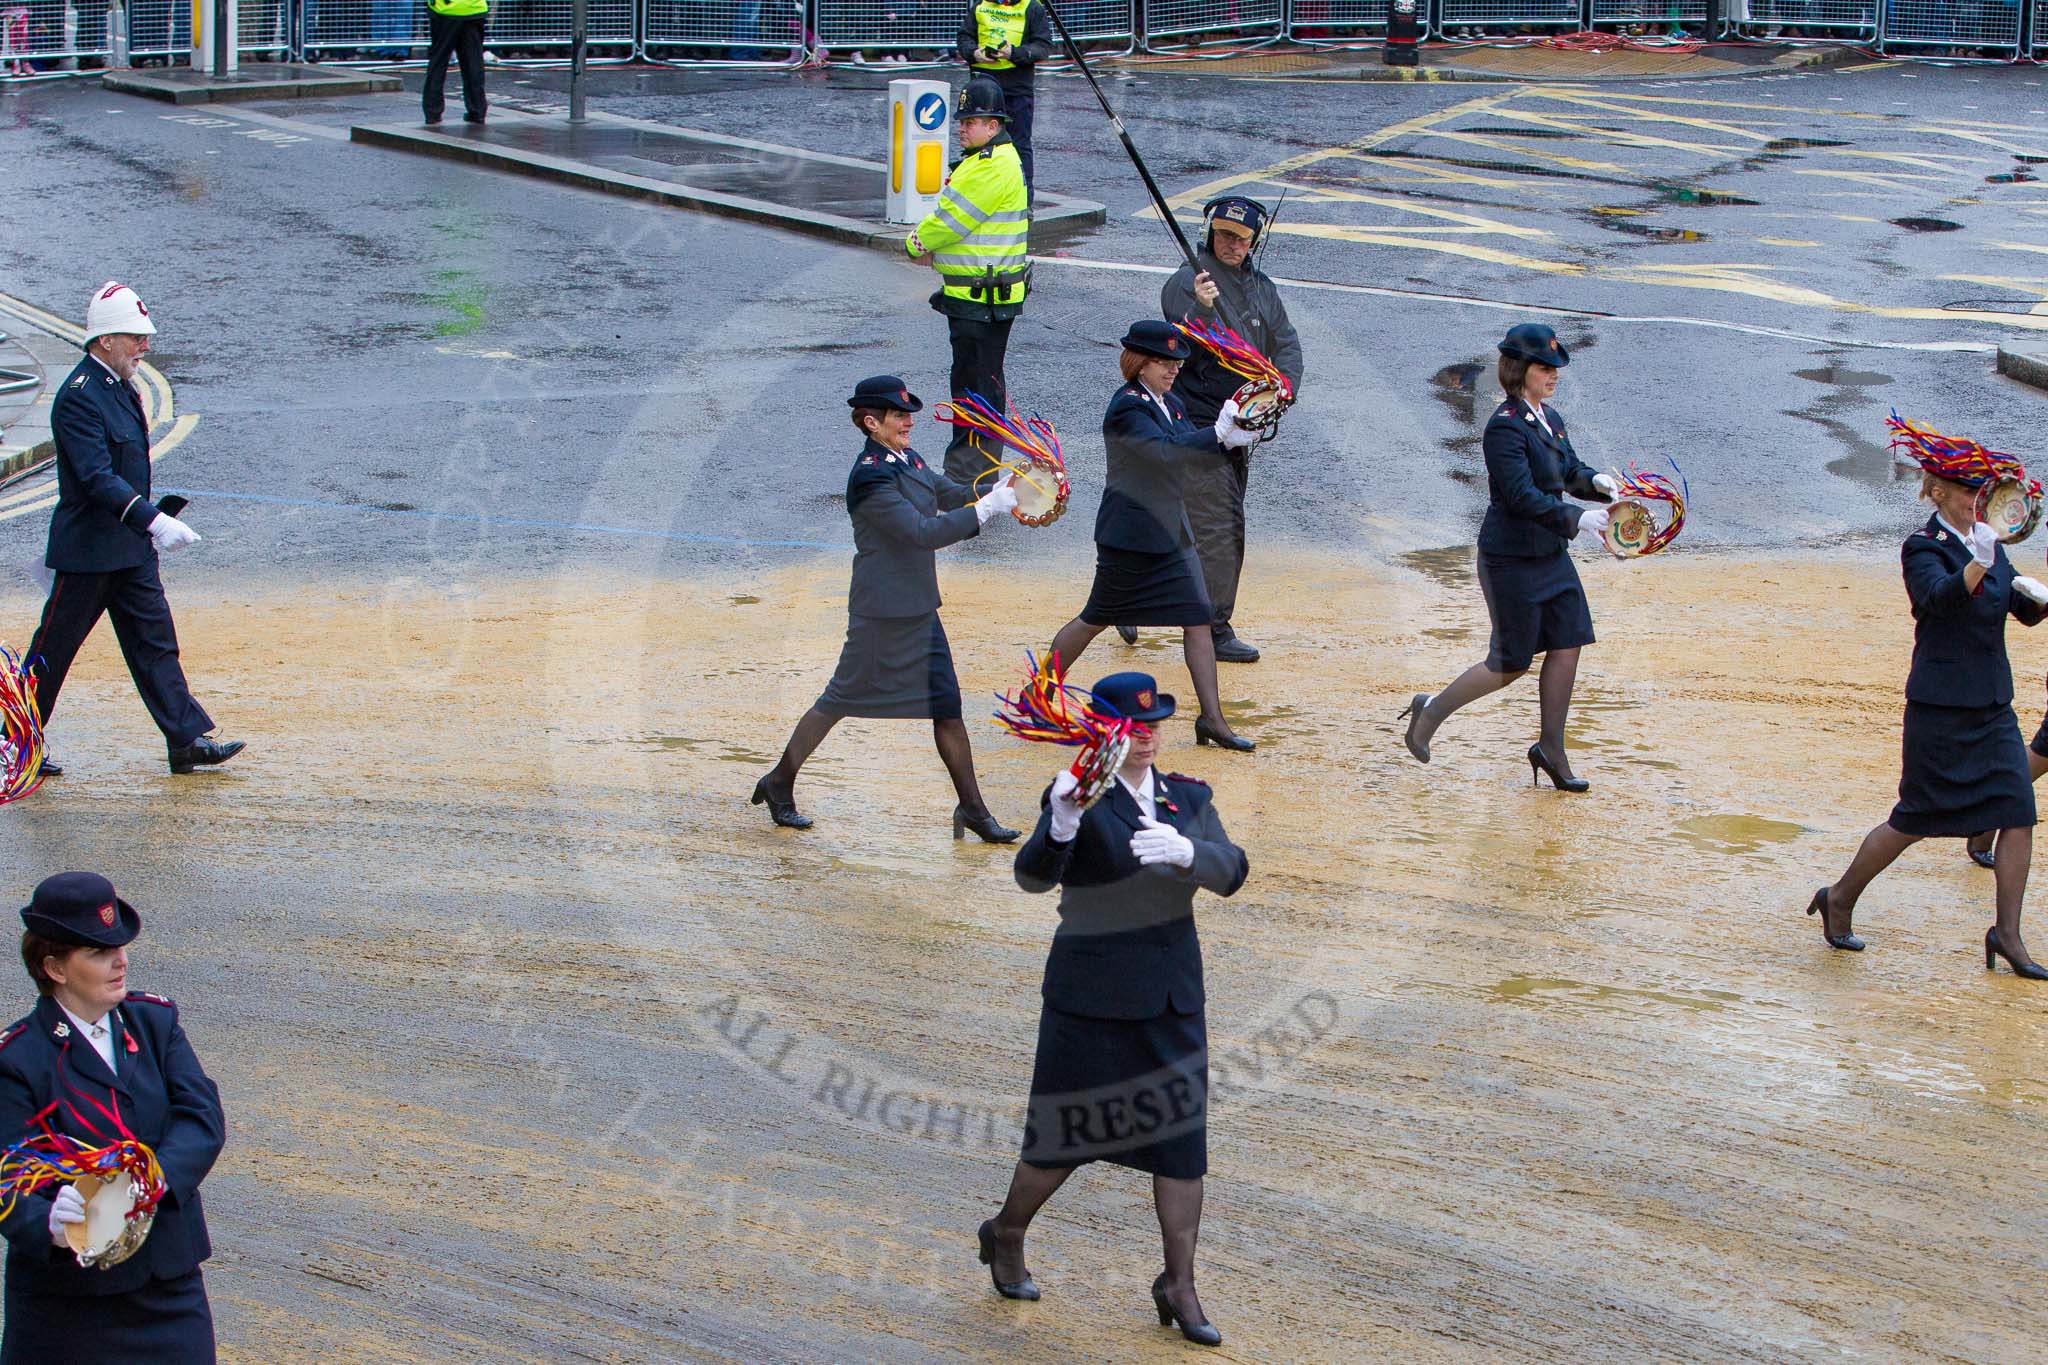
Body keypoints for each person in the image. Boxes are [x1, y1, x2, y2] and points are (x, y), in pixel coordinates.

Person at [977, 672, 1248, 1347]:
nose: (1148, 735)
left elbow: (1234, 867)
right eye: (1134, 725)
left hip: (1171, 998)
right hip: (1091, 999)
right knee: (1062, 1140)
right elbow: (1033, 878)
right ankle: (1006, 1232)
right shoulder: (1077, 794)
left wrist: (1191, 852)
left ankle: (1178, 1282)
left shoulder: (1188, 796)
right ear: (1104, 730)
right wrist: (1061, 824)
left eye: (1154, 722)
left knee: (1182, 1146)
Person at [1804, 468, 2048, 979]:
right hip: (1940, 709)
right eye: (1966, 493)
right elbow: (1935, 601)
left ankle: (2007, 935)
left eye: (1981, 495)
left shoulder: (1990, 542)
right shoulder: (1923, 546)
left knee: (2018, 812)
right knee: (1913, 819)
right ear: (1938, 493)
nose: (1977, 502)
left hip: (1993, 704)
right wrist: (1979, 564)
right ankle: (1840, 896)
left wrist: (2034, 599)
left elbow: (2015, 609)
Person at [752, 376, 1021, 839]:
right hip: (882, 614)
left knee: (947, 707)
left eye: (908, 414)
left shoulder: (906, 458)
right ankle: (779, 781)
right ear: (871, 422)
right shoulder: (871, 475)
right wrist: (988, 510)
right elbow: (920, 532)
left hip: (919, 607)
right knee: (838, 700)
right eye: (899, 416)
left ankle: (974, 811)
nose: (908, 422)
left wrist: (1006, 487)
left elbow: (949, 492)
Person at [0, 871, 226, 1364]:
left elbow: (201, 1118)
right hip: (67, 1306)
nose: (120, 960)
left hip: (169, 1285)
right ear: (55, 967)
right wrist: (52, 1225)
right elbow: (8, 1174)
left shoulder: (155, 1022)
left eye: (120, 946)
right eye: (99, 952)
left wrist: (148, 1181)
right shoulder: (17, 1058)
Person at [24, 283, 244, 779]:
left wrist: (146, 528)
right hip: (89, 552)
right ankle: (13, 743)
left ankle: (186, 741)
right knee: (53, 651)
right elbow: (97, 477)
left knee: (155, 642)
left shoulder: (120, 384)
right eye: (135, 337)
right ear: (105, 341)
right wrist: (154, 518)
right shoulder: (78, 398)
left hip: (130, 550)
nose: (145, 346)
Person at [1398, 323, 1613, 790]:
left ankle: (1550, 748)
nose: (1554, 374)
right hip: (1510, 560)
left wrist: (1595, 483)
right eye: (1544, 367)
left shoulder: (1549, 418)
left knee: (1569, 641)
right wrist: (1577, 519)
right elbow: (1520, 496)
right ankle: (1429, 712)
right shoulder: (1503, 427)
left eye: (1555, 367)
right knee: (1511, 662)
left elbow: (1568, 470)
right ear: (1519, 371)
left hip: (1550, 555)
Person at [1045, 322, 1261, 753]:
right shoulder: (1128, 408)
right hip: (1132, 536)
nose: (1173, 369)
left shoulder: (1167, 401)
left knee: (1198, 618)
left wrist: (1228, 441)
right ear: (1139, 364)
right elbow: (1165, 454)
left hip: (1168, 532)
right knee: (1096, 617)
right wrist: (1216, 433)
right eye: (1164, 362)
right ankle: (1039, 696)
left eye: (1176, 362)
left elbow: (1186, 445)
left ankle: (1212, 720)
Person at [1133, 196, 1304, 666]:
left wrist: (1284, 389)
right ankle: (1215, 626)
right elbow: (1177, 335)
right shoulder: (1189, 281)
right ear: (1211, 233)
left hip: (1240, 425)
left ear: (1254, 243)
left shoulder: (1263, 288)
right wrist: (1204, 310)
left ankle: (1134, 596)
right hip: (1199, 422)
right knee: (1221, 527)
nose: (1232, 245)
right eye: (1225, 235)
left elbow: (1286, 344)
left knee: (1188, 520)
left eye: (1242, 239)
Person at [906, 77, 1030, 494]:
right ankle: (973, 475)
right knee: (976, 388)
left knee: (976, 393)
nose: (963, 127)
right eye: (963, 120)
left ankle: (968, 479)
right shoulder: (986, 160)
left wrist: (915, 243)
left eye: (972, 121)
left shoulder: (991, 166)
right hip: (978, 296)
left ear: (994, 125)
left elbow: (950, 221)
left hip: (983, 299)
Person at [955, 0, 1051, 196]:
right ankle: (979, 193)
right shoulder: (980, 5)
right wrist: (974, 54)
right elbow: (964, 37)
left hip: (1016, 88)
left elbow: (1043, 47)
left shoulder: (1032, 7)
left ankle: (1023, 199)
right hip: (982, 87)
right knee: (976, 141)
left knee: (1019, 145)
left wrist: (1013, 53)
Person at [422, 0, 488, 126]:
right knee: (473, 63)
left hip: (445, 10)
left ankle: (433, 112)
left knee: (438, 62)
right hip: (474, 9)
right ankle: (477, 111)